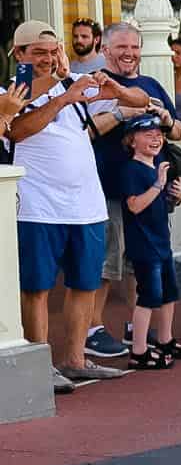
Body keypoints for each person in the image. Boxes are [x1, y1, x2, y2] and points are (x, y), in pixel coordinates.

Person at [6, 22, 130, 387]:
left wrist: (114, 89)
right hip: (37, 205)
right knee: (37, 287)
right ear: (19, 55)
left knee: (85, 283)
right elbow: (16, 130)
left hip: (86, 205)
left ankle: (75, 359)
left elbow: (134, 101)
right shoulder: (9, 93)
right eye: (37, 53)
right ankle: (39, 365)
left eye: (52, 51)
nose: (46, 59)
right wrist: (62, 92)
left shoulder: (74, 84)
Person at [84, 22, 181, 362]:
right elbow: (88, 131)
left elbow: (179, 130)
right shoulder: (95, 85)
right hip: (109, 186)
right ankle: (93, 330)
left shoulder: (151, 84)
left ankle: (134, 327)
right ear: (105, 50)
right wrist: (124, 111)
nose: (129, 54)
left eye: (134, 47)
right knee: (108, 262)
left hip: (151, 187)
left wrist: (166, 120)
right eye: (121, 47)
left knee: (138, 261)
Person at [118, 116, 181, 369]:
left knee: (168, 292)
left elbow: (160, 205)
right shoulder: (132, 170)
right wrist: (158, 185)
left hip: (161, 240)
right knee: (149, 295)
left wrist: (176, 197)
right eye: (147, 134)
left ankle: (165, 339)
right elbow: (135, 205)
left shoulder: (157, 167)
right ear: (132, 140)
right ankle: (139, 351)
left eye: (158, 134)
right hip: (144, 243)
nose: (156, 138)